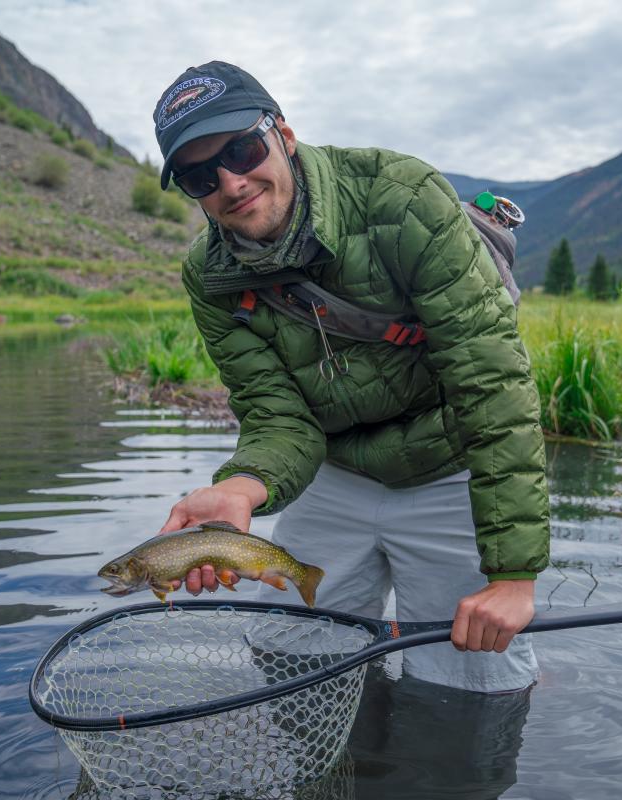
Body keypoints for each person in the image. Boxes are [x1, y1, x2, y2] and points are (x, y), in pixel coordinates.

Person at [151, 61, 549, 692]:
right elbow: (278, 417)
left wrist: (514, 575)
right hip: (333, 472)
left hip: (448, 461)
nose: (231, 181)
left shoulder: (404, 197)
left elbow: (490, 387)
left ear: (282, 132)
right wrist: (242, 489)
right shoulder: (210, 275)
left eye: (242, 149)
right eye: (202, 174)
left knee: (473, 679)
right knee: (295, 660)